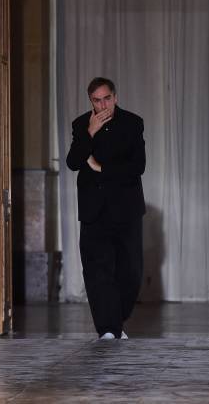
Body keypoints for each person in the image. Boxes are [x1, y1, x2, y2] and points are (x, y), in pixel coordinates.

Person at [66, 77, 146, 340]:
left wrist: (102, 168)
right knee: (97, 271)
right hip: (94, 209)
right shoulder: (81, 125)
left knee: (130, 271)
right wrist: (89, 133)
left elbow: (137, 167)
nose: (103, 105)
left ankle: (116, 320)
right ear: (91, 101)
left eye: (107, 98)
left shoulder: (133, 123)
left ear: (115, 97)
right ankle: (108, 329)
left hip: (126, 210)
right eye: (97, 100)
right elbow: (73, 162)